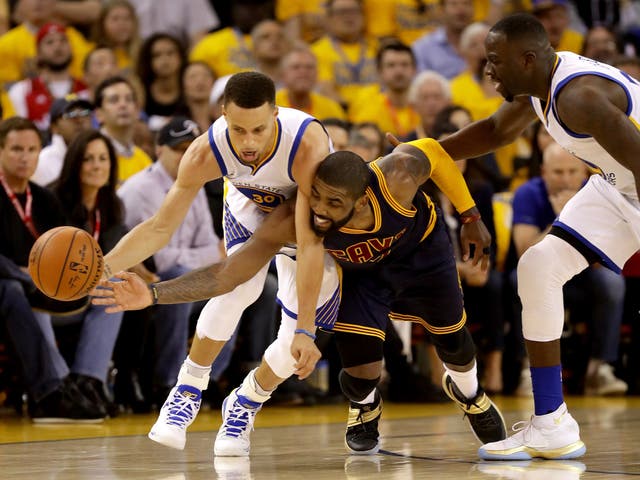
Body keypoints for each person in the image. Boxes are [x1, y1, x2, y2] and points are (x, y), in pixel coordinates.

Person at [94, 141, 507, 456]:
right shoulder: (298, 217)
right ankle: (363, 407)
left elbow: (434, 151)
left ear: (363, 199)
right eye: (317, 196)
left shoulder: (398, 175)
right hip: (367, 276)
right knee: (359, 360)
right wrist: (151, 294)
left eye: (334, 203)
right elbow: (229, 272)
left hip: (423, 254)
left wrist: (470, 216)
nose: (320, 212)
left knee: (455, 344)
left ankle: (470, 395)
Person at [409, 12, 640, 460]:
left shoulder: (580, 97)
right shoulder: (540, 87)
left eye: (495, 61)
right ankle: (551, 422)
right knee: (539, 266)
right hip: (620, 184)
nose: (487, 70)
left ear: (527, 59)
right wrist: (427, 153)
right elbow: (495, 131)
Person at [92, 71, 341, 456]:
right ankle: (187, 390)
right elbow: (160, 228)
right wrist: (101, 268)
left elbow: (309, 243)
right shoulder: (205, 151)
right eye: (238, 130)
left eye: (258, 129)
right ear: (222, 114)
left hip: (303, 223)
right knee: (240, 287)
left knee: (293, 346)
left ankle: (246, 400)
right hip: (250, 208)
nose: (248, 142)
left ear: (276, 114)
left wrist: (306, 329)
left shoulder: (306, 144)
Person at [0, 116, 103, 422]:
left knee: (106, 296)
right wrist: (25, 274)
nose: (25, 156)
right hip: (11, 288)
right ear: (1, 151)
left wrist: (88, 276)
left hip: (39, 290)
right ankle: (48, 393)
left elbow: (71, 248)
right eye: (16, 149)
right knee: (17, 290)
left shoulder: (45, 198)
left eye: (32, 149)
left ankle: (87, 382)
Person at [117, 117, 222, 405]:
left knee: (235, 284)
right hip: (146, 279)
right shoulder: (139, 189)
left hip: (183, 272)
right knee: (179, 283)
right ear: (158, 149)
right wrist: (207, 257)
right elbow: (160, 260)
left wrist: (208, 257)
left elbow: (212, 247)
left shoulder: (195, 183)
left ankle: (207, 379)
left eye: (193, 148)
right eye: (180, 148)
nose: (188, 154)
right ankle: (167, 382)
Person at [508, 142, 627, 396]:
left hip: (584, 273)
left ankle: (600, 369)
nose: (565, 179)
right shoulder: (528, 194)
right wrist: (562, 218)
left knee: (612, 282)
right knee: (519, 280)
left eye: (572, 171)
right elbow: (525, 253)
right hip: (542, 272)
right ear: (543, 172)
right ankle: (527, 370)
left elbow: (604, 257)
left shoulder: (596, 193)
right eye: (557, 172)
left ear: (585, 172)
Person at [51, 129, 128, 416]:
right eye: (88, 159)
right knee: (111, 290)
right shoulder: (52, 200)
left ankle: (89, 381)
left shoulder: (111, 206)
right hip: (54, 297)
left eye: (103, 159)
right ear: (75, 164)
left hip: (90, 296)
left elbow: (116, 259)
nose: (97, 165)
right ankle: (77, 383)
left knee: (118, 286)